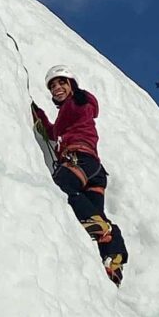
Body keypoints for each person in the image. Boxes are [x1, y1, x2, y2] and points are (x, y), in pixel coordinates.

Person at [31, 65, 128, 286]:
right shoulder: (68, 112)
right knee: (94, 216)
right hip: (94, 171)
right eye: (53, 86)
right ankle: (113, 259)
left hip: (81, 159)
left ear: (72, 85)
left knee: (61, 186)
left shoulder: (78, 103)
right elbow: (54, 132)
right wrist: (40, 115)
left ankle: (107, 232)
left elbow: (81, 109)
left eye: (62, 83)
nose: (57, 88)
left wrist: (79, 96)